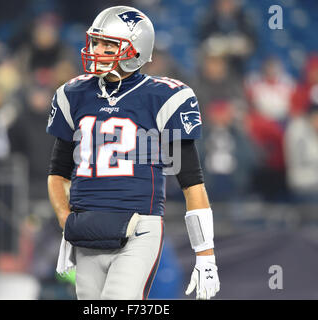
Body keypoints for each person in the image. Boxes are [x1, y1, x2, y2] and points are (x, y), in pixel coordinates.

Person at [46, 6, 220, 300]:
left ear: (136, 49)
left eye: (108, 44)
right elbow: (58, 172)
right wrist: (67, 222)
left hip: (138, 227)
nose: (97, 49)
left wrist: (205, 254)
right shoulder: (73, 94)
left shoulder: (164, 97)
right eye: (96, 42)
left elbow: (191, 181)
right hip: (87, 229)